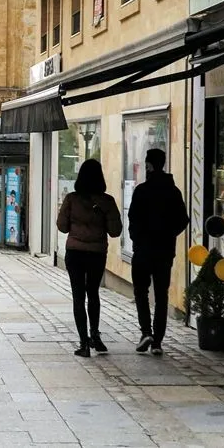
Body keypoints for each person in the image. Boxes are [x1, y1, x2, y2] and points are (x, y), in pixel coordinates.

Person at [56, 159, 122, 358]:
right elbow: (115, 231)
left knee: (78, 296)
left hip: (75, 252)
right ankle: (95, 334)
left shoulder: (71, 199)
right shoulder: (107, 201)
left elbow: (62, 226)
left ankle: (84, 343)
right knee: (93, 293)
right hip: (96, 253)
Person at [128, 148, 189, 356]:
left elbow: (133, 218)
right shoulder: (173, 191)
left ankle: (146, 332)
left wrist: (137, 238)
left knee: (141, 292)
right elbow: (183, 219)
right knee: (161, 295)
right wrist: (168, 235)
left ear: (149, 165)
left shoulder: (141, 191)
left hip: (143, 250)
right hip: (164, 251)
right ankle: (157, 342)